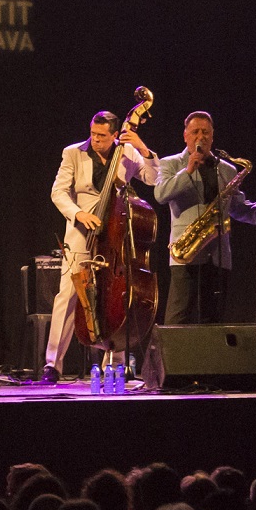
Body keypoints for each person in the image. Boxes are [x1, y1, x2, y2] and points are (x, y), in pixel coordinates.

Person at [41, 112, 158, 384]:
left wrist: (143, 148)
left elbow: (154, 179)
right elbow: (58, 192)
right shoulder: (73, 153)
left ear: (115, 135)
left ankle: (114, 364)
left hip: (115, 233)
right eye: (93, 133)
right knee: (68, 295)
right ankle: (52, 365)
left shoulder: (128, 152)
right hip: (81, 234)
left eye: (102, 136)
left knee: (116, 295)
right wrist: (78, 214)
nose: (95, 139)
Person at [154, 111, 256, 324]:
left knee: (213, 323)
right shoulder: (170, 164)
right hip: (186, 253)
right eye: (195, 132)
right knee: (177, 321)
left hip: (217, 255)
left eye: (205, 132)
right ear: (185, 135)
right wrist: (188, 171)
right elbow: (160, 194)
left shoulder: (227, 169)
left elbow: (238, 209)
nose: (201, 137)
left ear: (212, 136)